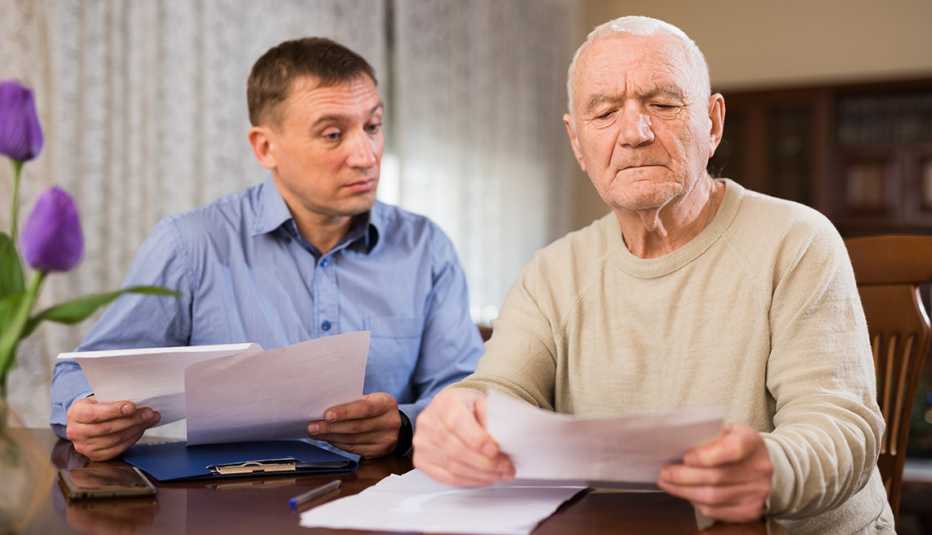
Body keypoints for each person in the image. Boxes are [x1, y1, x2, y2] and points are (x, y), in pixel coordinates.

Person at [412, 16, 894, 533]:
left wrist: (775, 468)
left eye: (663, 105)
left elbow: (838, 423)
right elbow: (500, 388)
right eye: (604, 112)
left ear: (713, 122)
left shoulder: (797, 240)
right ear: (577, 142)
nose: (635, 134)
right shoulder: (551, 273)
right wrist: (460, 416)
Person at [50, 37, 483, 463]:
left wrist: (405, 425)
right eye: (333, 134)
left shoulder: (426, 248)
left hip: (383, 494)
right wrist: (86, 411)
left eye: (372, 126)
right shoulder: (189, 245)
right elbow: (81, 376)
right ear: (265, 147)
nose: (366, 156)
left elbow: (468, 388)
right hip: (229, 497)